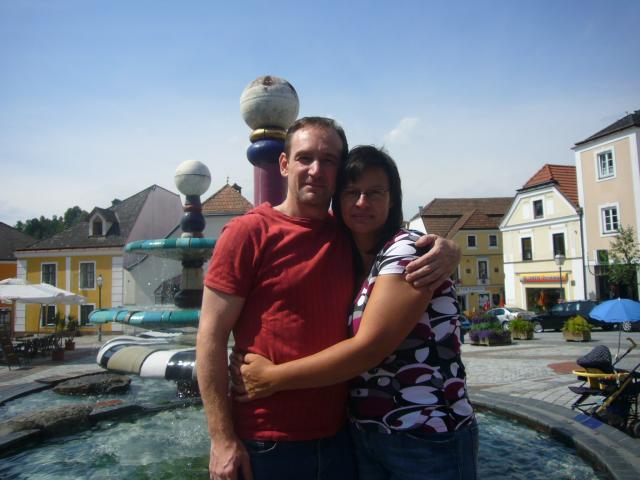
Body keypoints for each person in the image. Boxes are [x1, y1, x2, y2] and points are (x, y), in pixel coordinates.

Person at [196, 118, 461, 480]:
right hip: (267, 439)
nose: (316, 170)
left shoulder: (348, 232)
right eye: (305, 158)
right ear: (284, 164)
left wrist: (449, 249)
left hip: (342, 437)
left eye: (329, 160)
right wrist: (221, 439)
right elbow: (210, 337)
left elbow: (396, 251)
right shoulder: (248, 232)